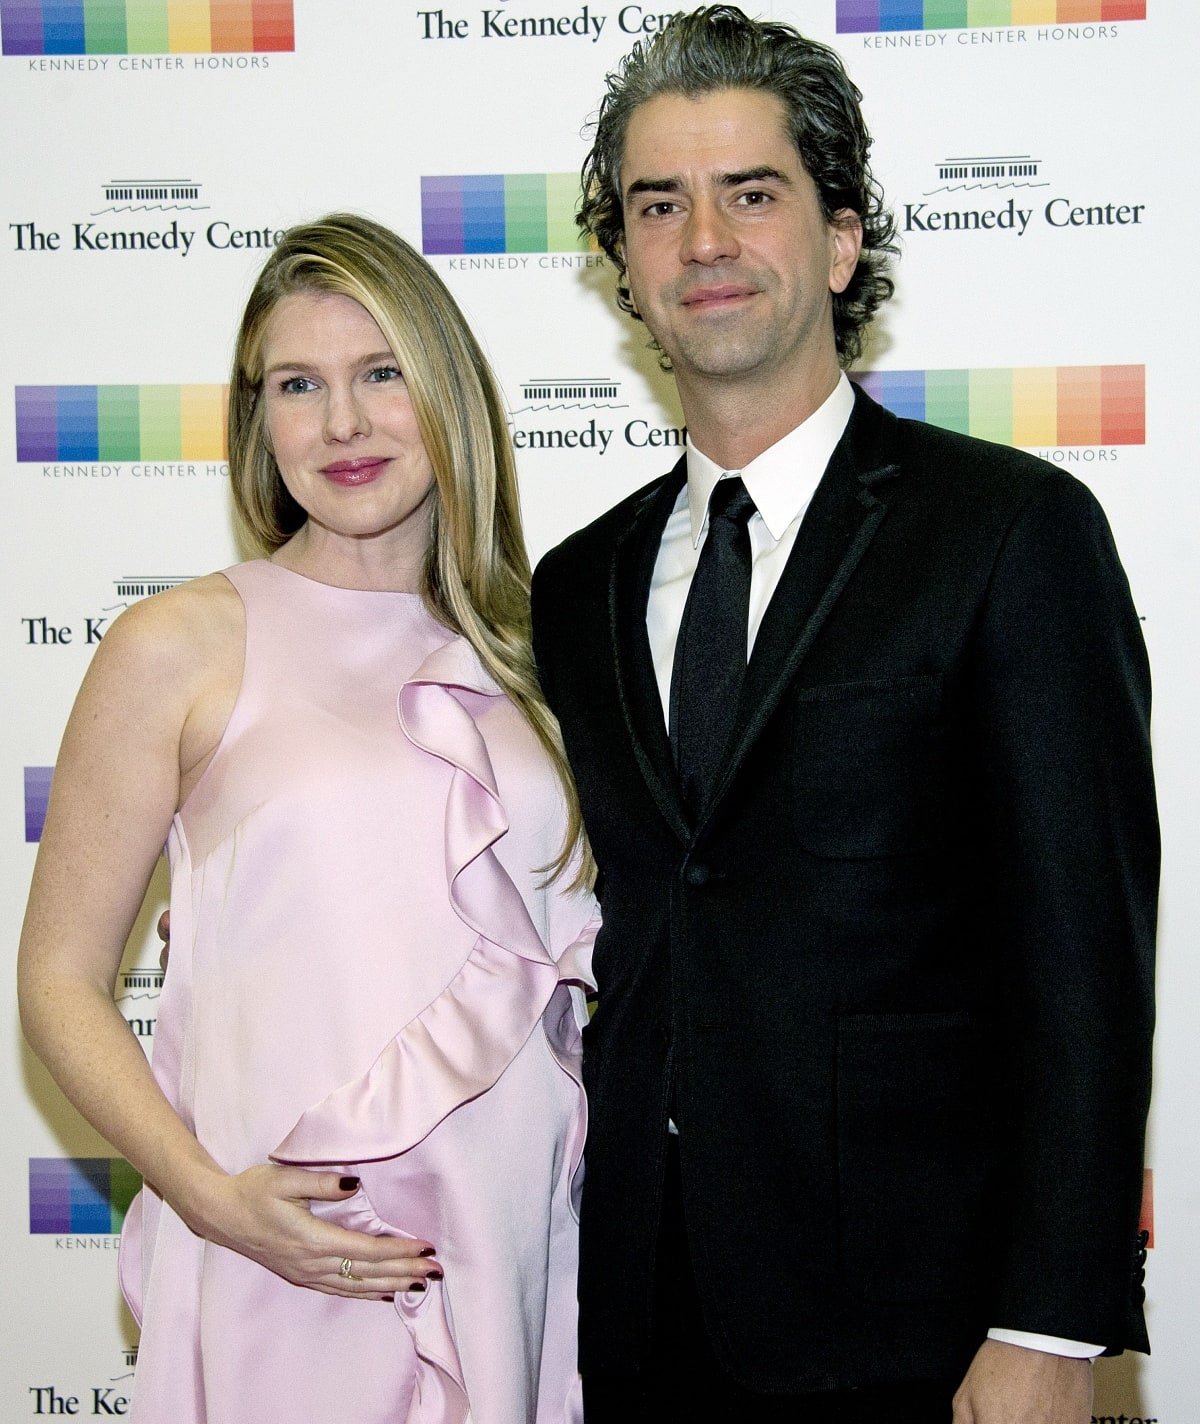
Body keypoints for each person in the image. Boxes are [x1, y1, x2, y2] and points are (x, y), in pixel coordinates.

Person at [530, 8, 1156, 1422]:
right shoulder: (575, 588)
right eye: (658, 205)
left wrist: (1056, 1325)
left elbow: (1085, 952)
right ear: (622, 260)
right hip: (639, 1320)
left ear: (840, 237)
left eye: (753, 194)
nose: (704, 240)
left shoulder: (1008, 533)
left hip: (928, 1329)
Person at [19, 213, 597, 1424]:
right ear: (256, 421)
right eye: (299, 384)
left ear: (448, 392)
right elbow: (60, 981)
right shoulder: (175, 645)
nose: (343, 423)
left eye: (382, 372)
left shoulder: (551, 659)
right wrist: (211, 1198)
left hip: (509, 1265)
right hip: (275, 1259)